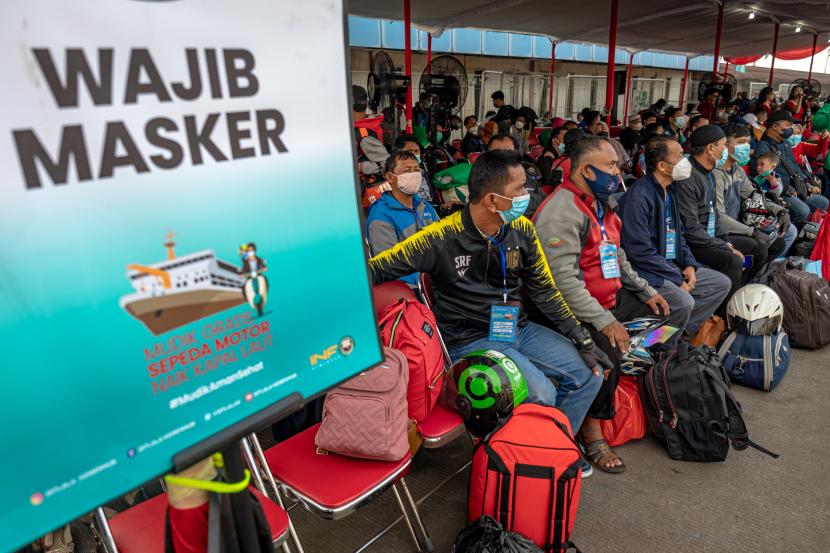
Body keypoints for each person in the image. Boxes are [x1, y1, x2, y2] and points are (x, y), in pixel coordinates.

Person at [368, 150, 609, 472]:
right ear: (493, 201)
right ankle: (535, 457)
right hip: (469, 340)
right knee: (541, 392)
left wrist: (583, 338)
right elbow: (374, 270)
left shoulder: (522, 229)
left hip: (517, 330)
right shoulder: (440, 237)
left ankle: (550, 449)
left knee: (589, 375)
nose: (528, 196)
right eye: (520, 190)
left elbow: (545, 289)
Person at [533, 136, 670, 473]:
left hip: (608, 296)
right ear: (586, 170)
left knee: (668, 314)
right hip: (574, 310)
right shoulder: (562, 213)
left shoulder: (601, 203)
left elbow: (616, 255)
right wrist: (603, 319)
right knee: (606, 349)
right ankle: (592, 430)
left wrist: (645, 290)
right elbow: (563, 283)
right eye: (609, 165)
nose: (617, 171)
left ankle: (630, 367)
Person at [618, 136, 732, 334]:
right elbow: (640, 253)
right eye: (680, 156)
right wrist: (677, 277)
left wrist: (689, 265)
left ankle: (681, 332)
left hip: (671, 265)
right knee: (684, 301)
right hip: (647, 270)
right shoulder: (638, 198)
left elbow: (678, 234)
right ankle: (659, 345)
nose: (685, 161)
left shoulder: (669, 190)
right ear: (663, 166)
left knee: (720, 283)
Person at [675, 125, 745, 315]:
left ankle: (738, 303)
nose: (725, 150)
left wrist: (726, 241)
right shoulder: (687, 178)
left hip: (710, 235)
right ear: (710, 148)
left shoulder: (709, 172)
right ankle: (722, 316)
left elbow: (713, 213)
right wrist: (723, 246)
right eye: (723, 145)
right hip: (694, 241)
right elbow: (690, 229)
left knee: (759, 246)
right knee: (732, 261)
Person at [712, 123, 788, 269]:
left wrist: (779, 210)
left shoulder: (737, 170)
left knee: (778, 243)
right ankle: (742, 283)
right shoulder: (716, 174)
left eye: (747, 142)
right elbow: (719, 217)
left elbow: (753, 195)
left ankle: (754, 277)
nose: (746, 147)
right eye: (741, 142)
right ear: (724, 145)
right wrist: (752, 232)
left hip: (737, 223)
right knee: (757, 247)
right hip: (721, 230)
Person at [366, 151, 439, 286]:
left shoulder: (425, 207)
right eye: (407, 171)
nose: (414, 174)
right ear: (390, 177)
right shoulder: (381, 216)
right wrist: (427, 280)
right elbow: (388, 265)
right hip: (411, 289)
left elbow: (444, 246)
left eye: (417, 170)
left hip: (437, 282)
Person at [751, 110, 830, 223]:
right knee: (802, 210)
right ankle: (784, 230)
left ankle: (802, 230)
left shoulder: (785, 144)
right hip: (780, 192)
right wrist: (788, 188)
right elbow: (759, 174)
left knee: (823, 202)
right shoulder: (763, 147)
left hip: (797, 188)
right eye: (788, 125)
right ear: (774, 126)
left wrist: (807, 184)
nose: (791, 129)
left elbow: (795, 167)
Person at [352, 85, 391, 207]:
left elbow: (388, 163)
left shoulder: (364, 134)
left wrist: (358, 167)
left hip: (367, 195)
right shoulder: (362, 127)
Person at [393, 134, 434, 202]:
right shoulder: (395, 174)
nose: (414, 155)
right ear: (398, 153)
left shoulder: (422, 172)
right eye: (409, 151)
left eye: (416, 151)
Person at [537, 126, 568, 190]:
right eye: (565, 139)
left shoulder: (563, 157)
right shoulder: (546, 159)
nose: (567, 142)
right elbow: (549, 184)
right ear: (554, 140)